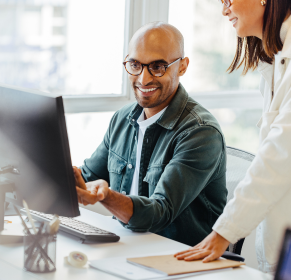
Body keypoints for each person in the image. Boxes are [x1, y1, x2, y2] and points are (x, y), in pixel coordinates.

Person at [74, 22, 228, 247]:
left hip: (178, 259)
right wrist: (63, 175)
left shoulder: (200, 132)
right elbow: (86, 178)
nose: (143, 79)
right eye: (135, 65)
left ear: (182, 67)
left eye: (158, 67)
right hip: (127, 248)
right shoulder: (122, 119)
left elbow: (159, 213)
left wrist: (106, 196)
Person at [175, 0, 291, 274]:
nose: (224, 10)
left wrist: (223, 233)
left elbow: (279, 156)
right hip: (285, 244)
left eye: (228, 0)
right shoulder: (276, 58)